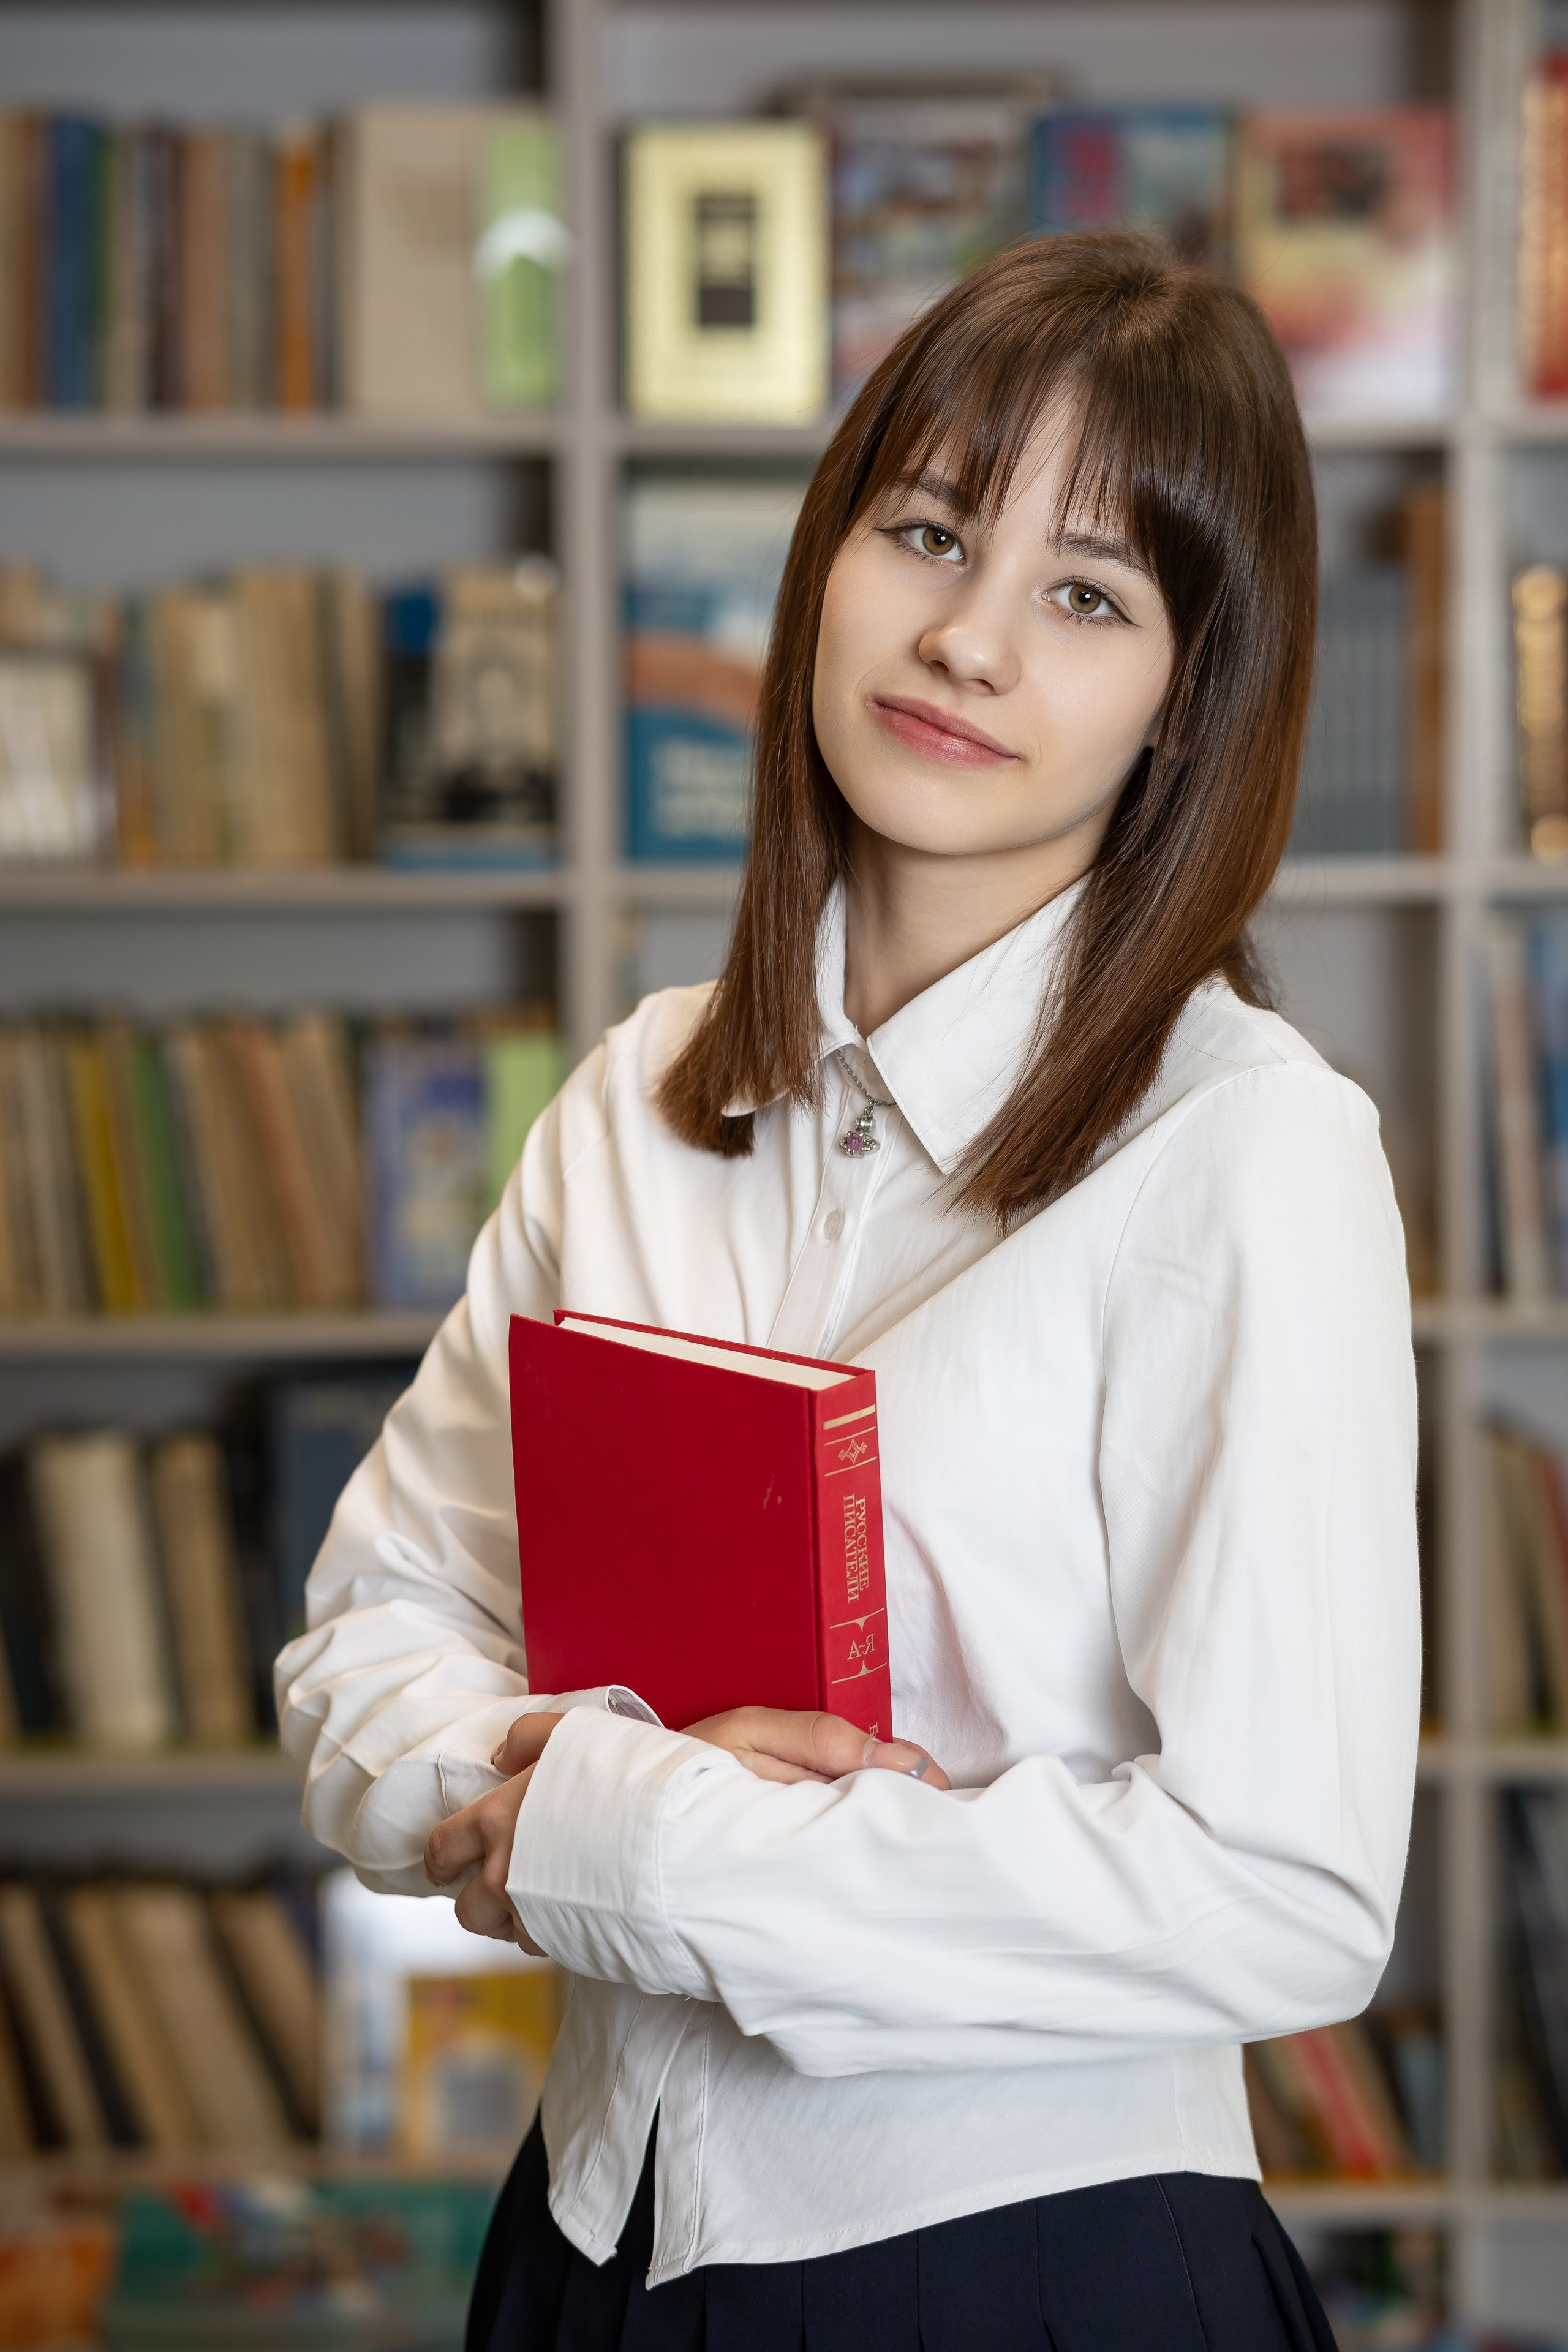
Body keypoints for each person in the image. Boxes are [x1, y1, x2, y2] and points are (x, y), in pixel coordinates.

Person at [277, 232, 1419, 2351]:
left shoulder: (1246, 1151)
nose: (969, 641)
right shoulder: (630, 1098)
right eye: (928, 532)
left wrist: (645, 1837)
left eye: (1087, 596)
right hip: (593, 2249)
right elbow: (367, 1640)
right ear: (827, 564)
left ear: (1190, 702)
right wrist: (566, 1780)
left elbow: (1289, 1894)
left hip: (1027, 2279)